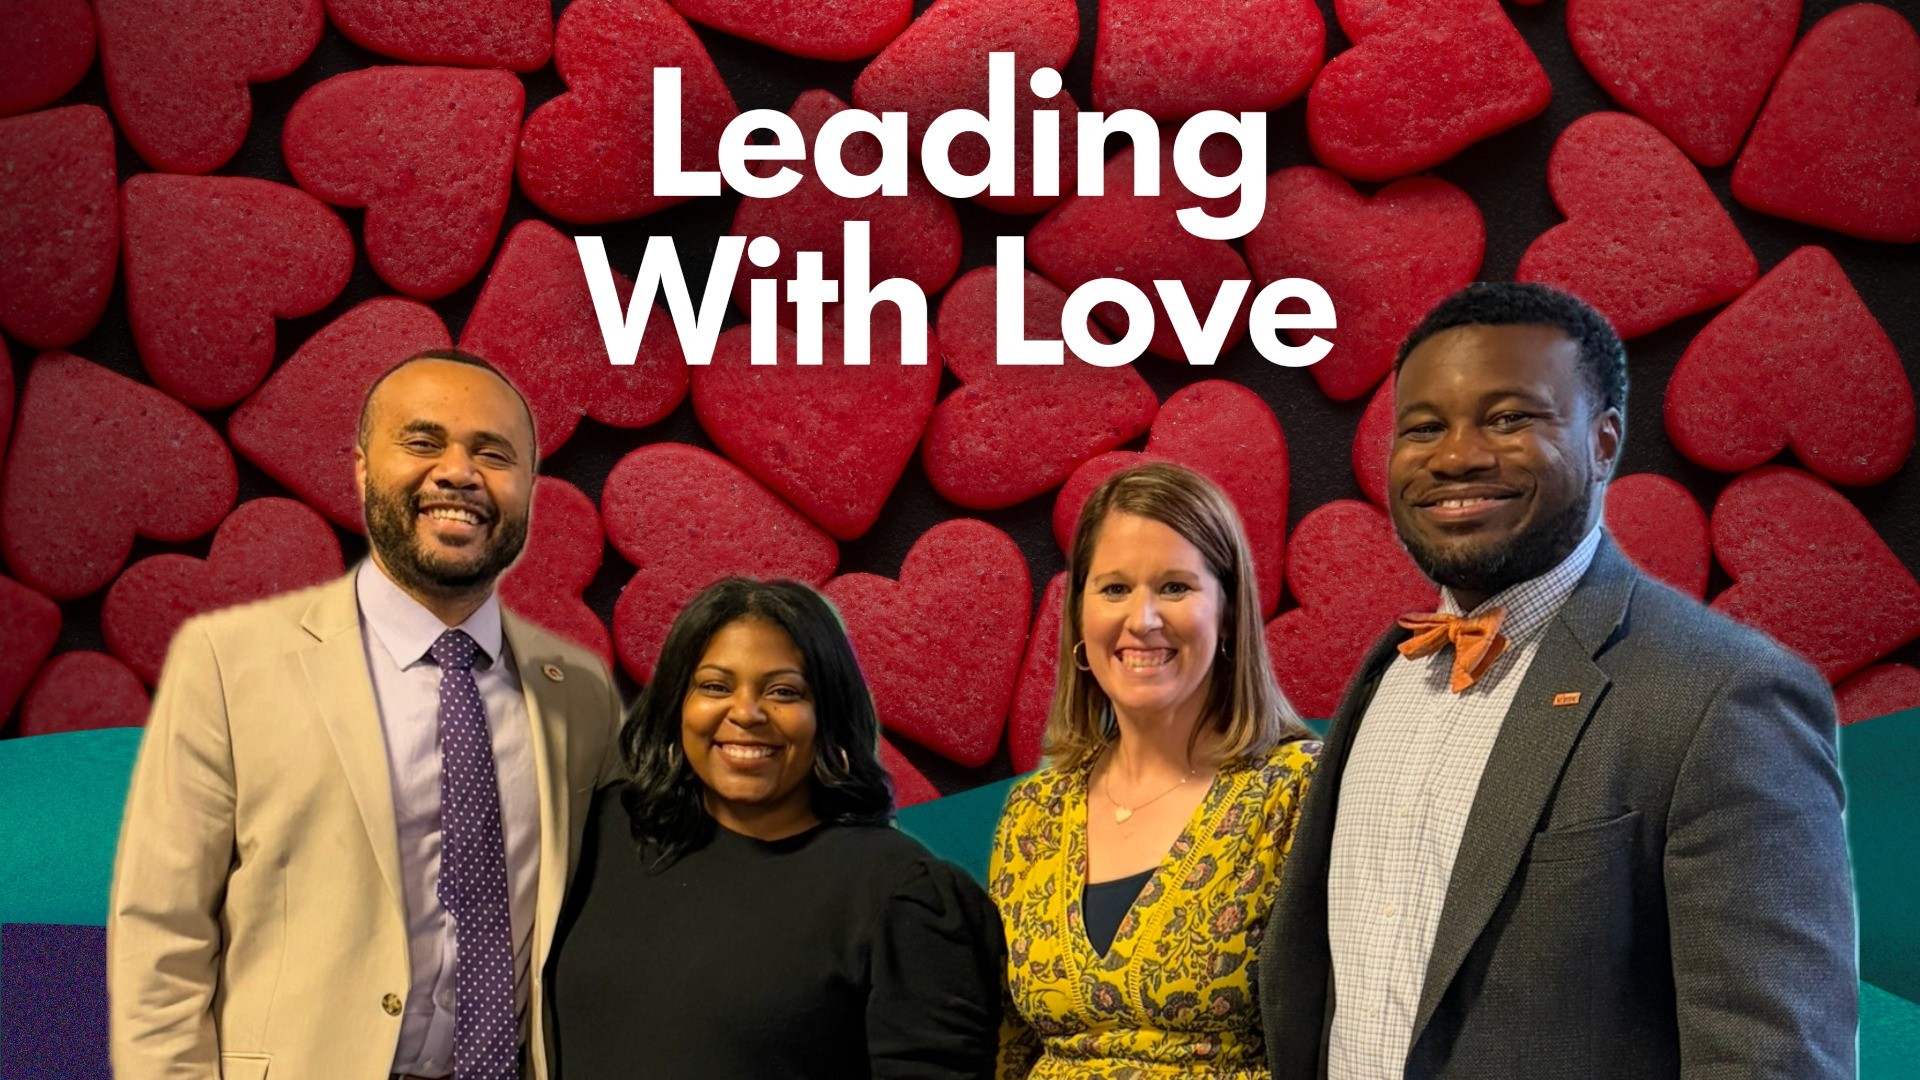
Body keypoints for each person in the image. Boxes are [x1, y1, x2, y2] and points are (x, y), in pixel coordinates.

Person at [1260, 282, 1857, 1079]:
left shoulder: (1726, 696)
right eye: (1423, 428)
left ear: (1605, 441)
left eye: (1509, 418)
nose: (1456, 455)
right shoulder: (1384, 675)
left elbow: (1773, 1057)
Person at [109, 349, 625, 1080]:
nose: (458, 472)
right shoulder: (228, 665)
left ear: (530, 490)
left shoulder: (578, 691)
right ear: (358, 468)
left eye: (493, 453)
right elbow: (163, 934)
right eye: (422, 442)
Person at [547, 577, 1004, 1079]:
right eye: (715, 686)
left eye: (783, 691)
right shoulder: (601, 831)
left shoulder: (901, 894)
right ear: (679, 704)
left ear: (827, 714)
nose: (745, 713)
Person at [992, 462, 1320, 1078]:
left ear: (1227, 613)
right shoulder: (1031, 813)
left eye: (1174, 587)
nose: (1142, 620)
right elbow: (1010, 1048)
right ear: (1079, 621)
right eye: (1114, 589)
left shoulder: (1301, 793)